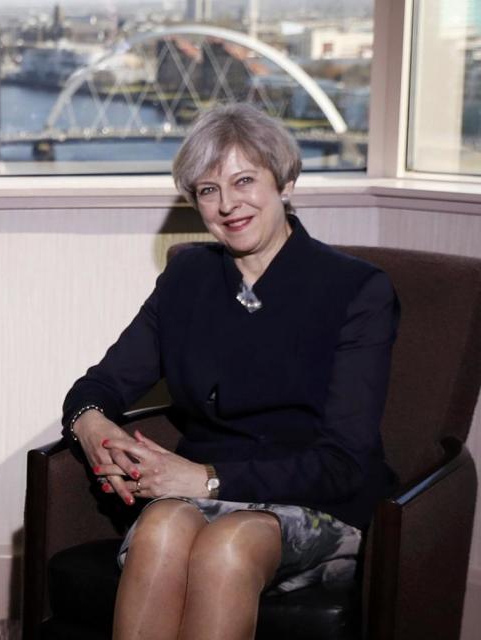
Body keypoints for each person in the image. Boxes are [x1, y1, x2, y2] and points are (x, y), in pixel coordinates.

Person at [62, 103, 399, 640]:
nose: (228, 204)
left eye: (244, 180)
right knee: (161, 528)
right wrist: (92, 427)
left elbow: (344, 463)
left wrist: (204, 478)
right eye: (208, 189)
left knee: (227, 546)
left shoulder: (356, 290)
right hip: (196, 495)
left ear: (285, 180)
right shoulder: (186, 279)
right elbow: (98, 387)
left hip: (314, 501)